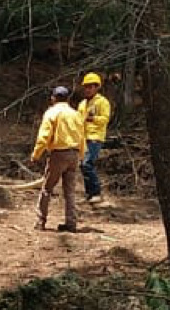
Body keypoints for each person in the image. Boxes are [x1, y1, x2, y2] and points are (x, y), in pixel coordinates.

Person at [30, 84, 87, 231]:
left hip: (59, 154)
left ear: (54, 98)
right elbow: (82, 136)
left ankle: (40, 221)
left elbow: (43, 136)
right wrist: (81, 154)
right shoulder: (76, 114)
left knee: (47, 188)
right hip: (74, 154)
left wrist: (36, 154)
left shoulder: (52, 113)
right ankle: (71, 223)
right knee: (69, 191)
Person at [76, 72, 112, 205]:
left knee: (87, 163)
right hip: (83, 138)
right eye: (86, 87)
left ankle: (96, 193)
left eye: (90, 87)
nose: (87, 89)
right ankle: (89, 194)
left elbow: (105, 119)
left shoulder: (102, 102)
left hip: (95, 137)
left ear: (97, 87)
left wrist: (91, 118)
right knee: (83, 165)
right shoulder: (82, 104)